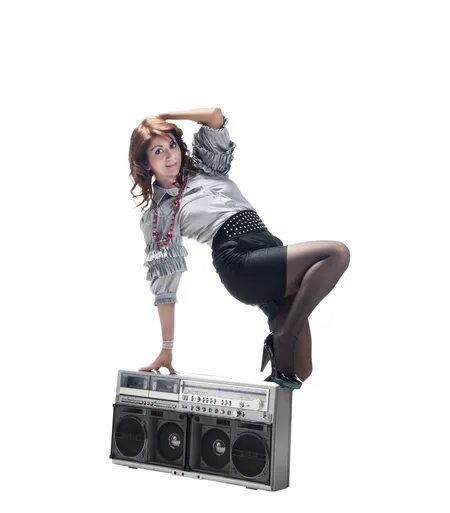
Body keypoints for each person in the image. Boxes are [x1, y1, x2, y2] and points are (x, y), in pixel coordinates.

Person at [128, 107, 351, 389]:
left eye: (172, 145)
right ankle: (284, 334)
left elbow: (214, 115)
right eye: (158, 151)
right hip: (239, 262)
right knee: (336, 253)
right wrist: (167, 348)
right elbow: (165, 287)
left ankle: (282, 336)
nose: (170, 155)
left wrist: (168, 115)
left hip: (268, 249)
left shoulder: (206, 167)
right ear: (146, 162)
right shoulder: (160, 214)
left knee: (300, 370)